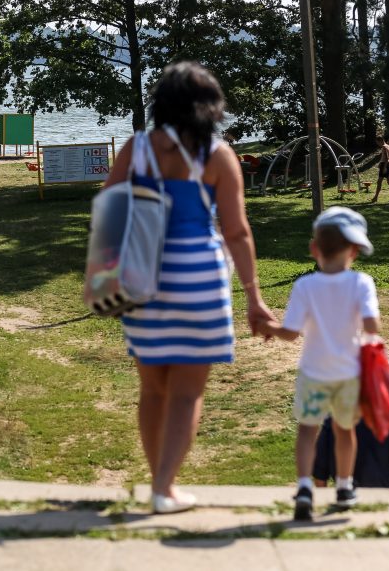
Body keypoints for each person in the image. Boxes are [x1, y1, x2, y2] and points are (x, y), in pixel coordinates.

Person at [102, 62, 274, 514]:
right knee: (187, 393)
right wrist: (254, 297)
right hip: (199, 280)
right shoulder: (218, 156)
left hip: (143, 279)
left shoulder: (136, 149)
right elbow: (237, 232)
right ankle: (164, 488)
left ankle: (158, 484)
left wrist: (109, 274)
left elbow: (109, 212)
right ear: (210, 107)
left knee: (153, 389)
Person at [258, 206, 380, 521]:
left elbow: (290, 334)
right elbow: (371, 326)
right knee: (344, 431)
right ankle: (343, 486)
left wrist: (269, 327)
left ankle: (303, 488)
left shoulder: (305, 286)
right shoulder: (362, 283)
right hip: (348, 375)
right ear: (355, 251)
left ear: (314, 249)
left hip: (314, 373)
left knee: (307, 431)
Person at [314, 363, 389, 489]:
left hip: (344, 491)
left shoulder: (339, 413)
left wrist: (323, 497)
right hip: (382, 495)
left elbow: (320, 466)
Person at [371, 135, 389, 203]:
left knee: (379, 182)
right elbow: (385, 157)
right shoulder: (388, 146)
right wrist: (380, 163)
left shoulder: (384, 147)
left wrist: (384, 167)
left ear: (380, 141)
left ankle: (375, 198)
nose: (377, 144)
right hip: (388, 165)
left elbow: (387, 158)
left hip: (385, 165)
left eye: (377, 142)